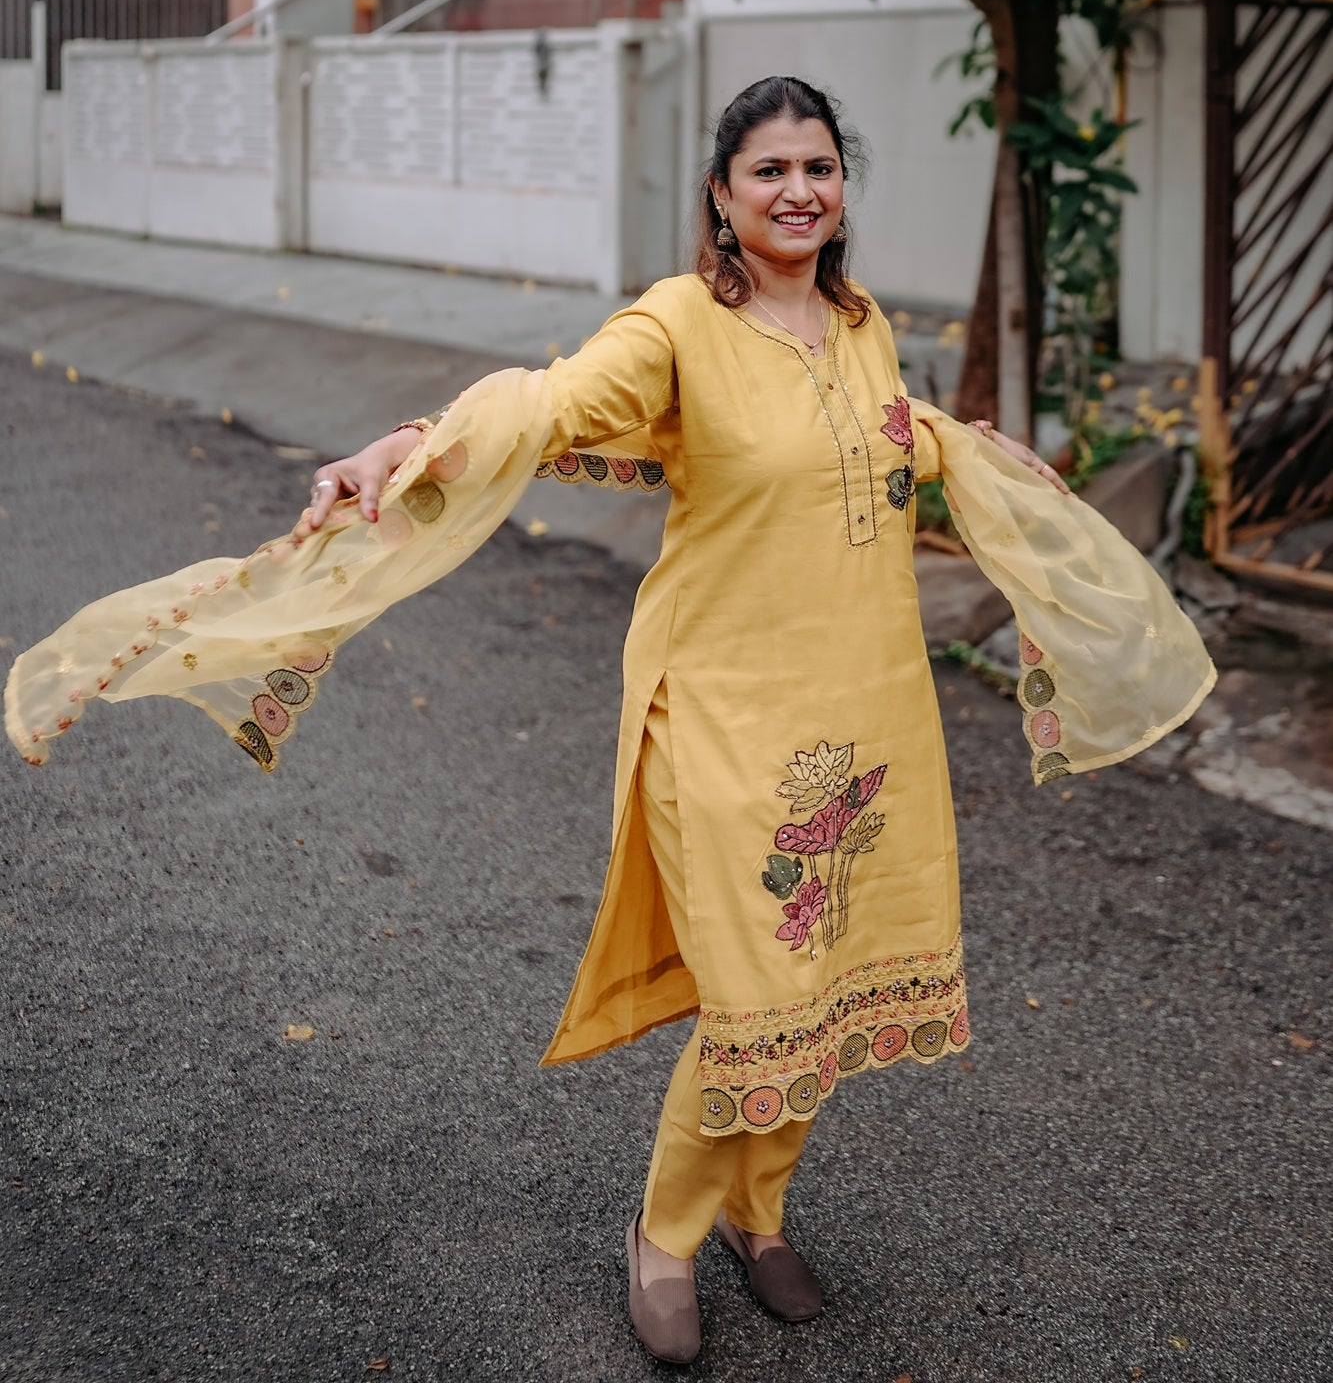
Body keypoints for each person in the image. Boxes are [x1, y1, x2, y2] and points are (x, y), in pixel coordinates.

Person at [4, 75, 1214, 1368]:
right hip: (723, 711)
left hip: (865, 705)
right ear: (720, 194)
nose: (798, 189)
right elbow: (551, 402)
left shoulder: (860, 324)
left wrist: (959, 443)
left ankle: (760, 1214)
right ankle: (665, 1237)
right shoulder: (680, 326)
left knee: (829, 974)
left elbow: (883, 434)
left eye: (819, 166)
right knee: (757, 990)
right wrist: (401, 446)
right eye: (769, 170)